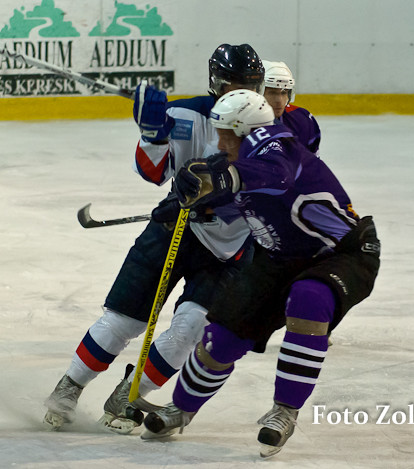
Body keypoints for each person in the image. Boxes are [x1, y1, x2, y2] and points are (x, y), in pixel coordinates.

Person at [140, 90, 381, 458]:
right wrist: (184, 202)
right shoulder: (234, 159)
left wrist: (221, 179)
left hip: (342, 252)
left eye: (225, 134)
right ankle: (181, 409)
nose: (219, 142)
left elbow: (276, 175)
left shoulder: (275, 145)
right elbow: (230, 196)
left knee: (309, 299)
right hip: (280, 257)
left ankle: (284, 411)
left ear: (244, 131)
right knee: (221, 336)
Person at [42, 44, 265, 434]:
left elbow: (267, 192)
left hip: (227, 251)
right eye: (234, 84)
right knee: (123, 318)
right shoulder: (183, 114)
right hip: (171, 230)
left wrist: (216, 197)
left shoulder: (271, 134)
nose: (244, 92)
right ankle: (69, 387)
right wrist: (151, 134)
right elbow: (153, 173)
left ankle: (127, 396)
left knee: (190, 329)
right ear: (216, 83)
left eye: (251, 85)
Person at [261, 60, 321, 155]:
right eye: (272, 92)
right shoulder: (242, 122)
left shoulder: (303, 120)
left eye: (283, 93)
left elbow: (311, 165)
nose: (279, 100)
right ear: (259, 92)